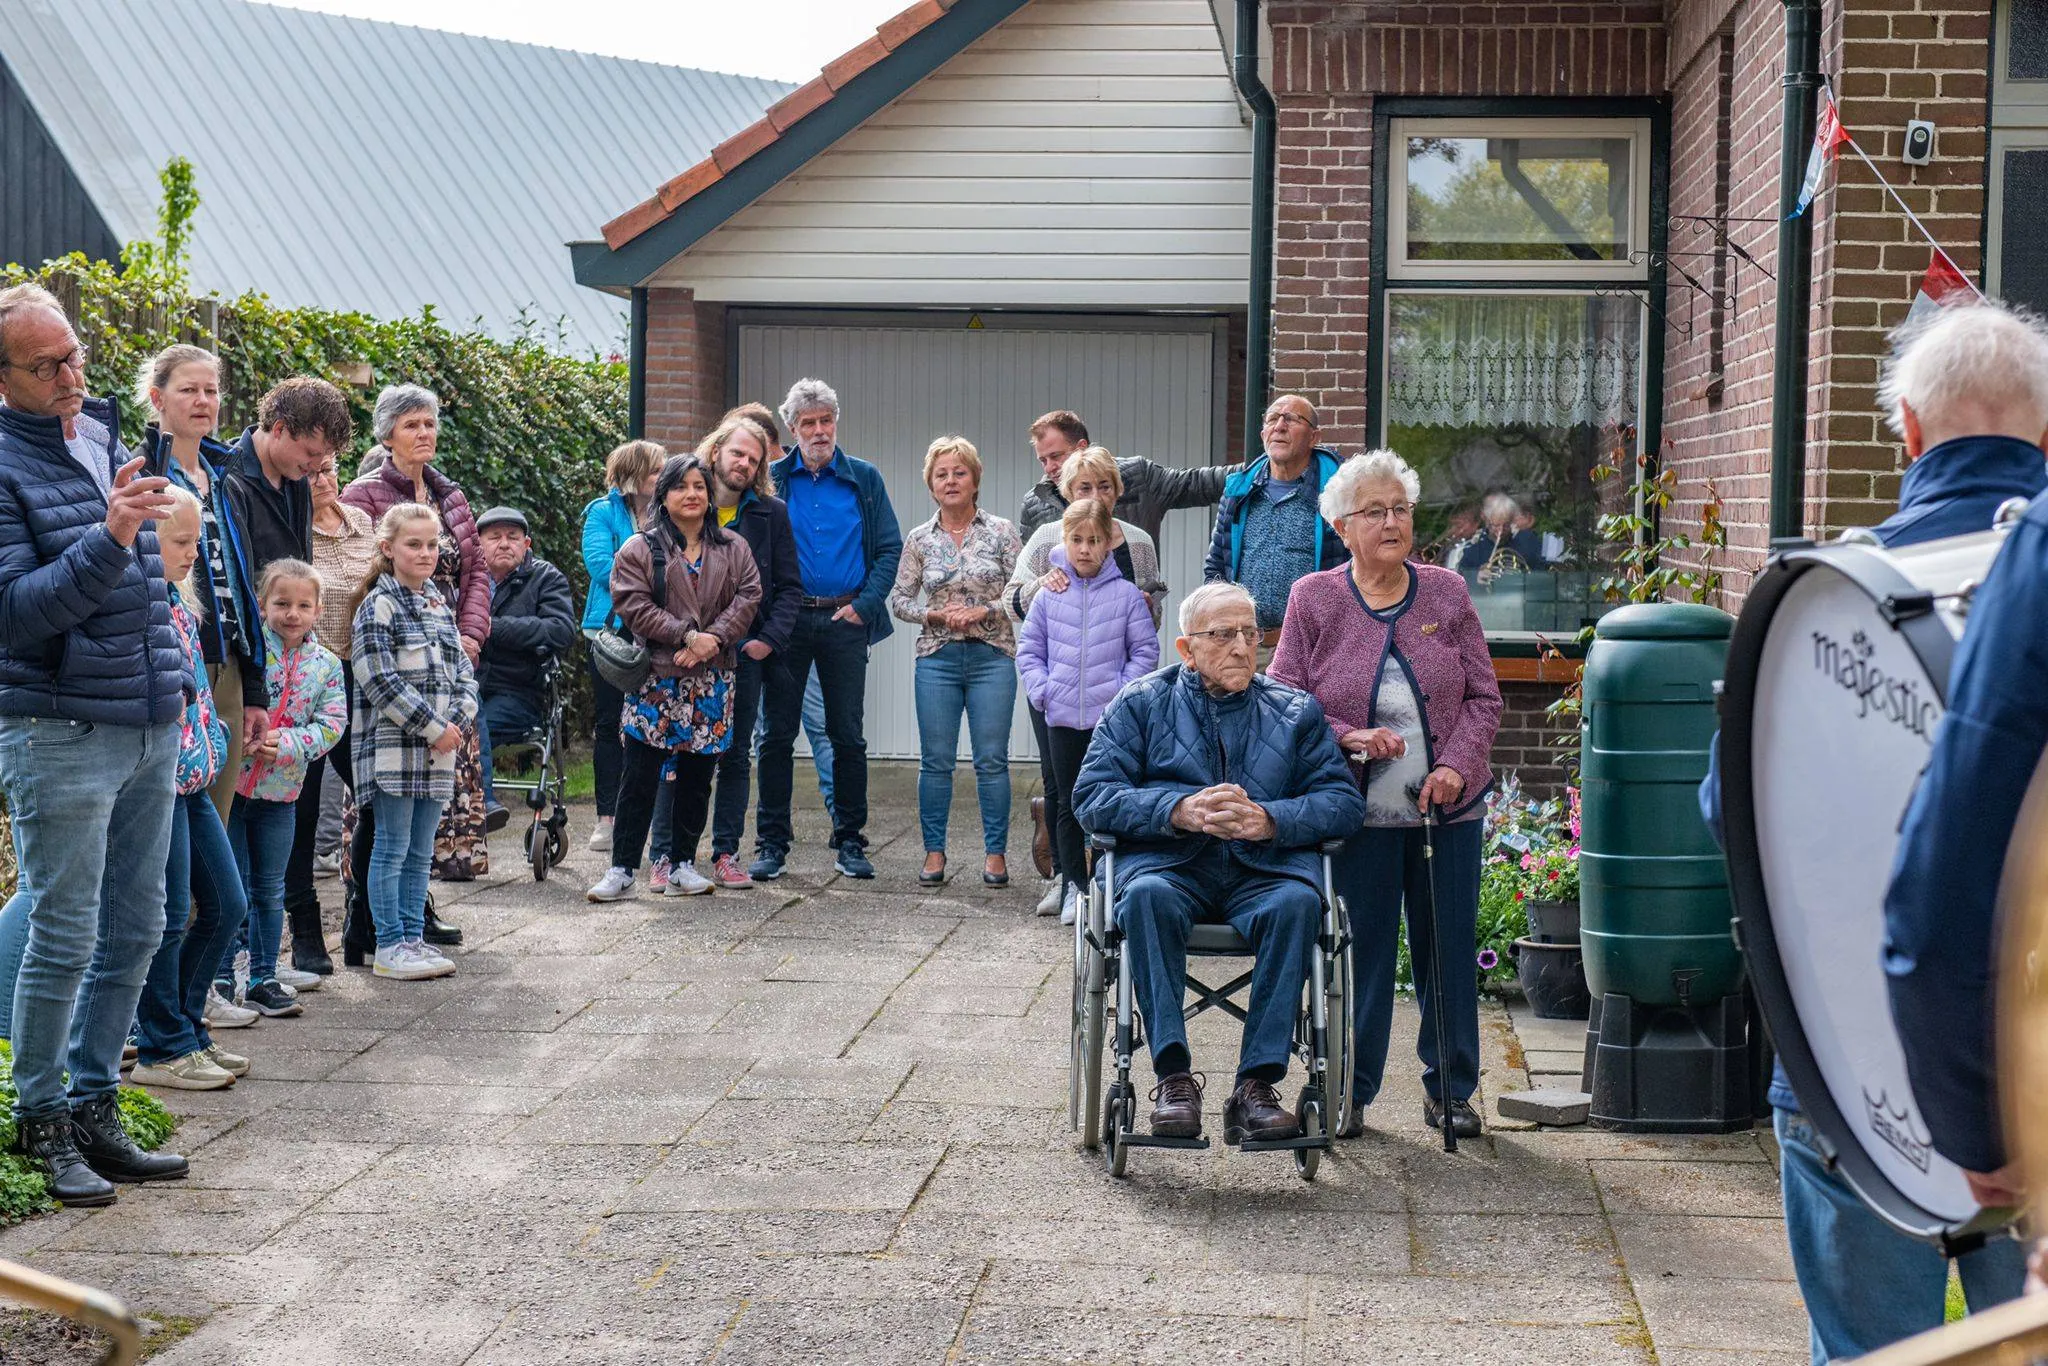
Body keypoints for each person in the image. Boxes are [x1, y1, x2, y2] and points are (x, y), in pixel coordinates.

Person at [1697, 302, 2044, 1364]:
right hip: (2031, 1080)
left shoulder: (1824, 596)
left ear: (1903, 427)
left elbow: (1730, 809)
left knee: (1861, 1351)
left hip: (1847, 1066)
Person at [0, 282, 191, 1202]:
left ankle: (94, 1103)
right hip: (59, 728)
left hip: (148, 718)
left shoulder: (105, 433)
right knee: (64, 930)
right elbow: (17, 615)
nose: (73, 375)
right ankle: (39, 1118)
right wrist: (114, 533)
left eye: (73, 354)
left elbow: (152, 587)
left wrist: (176, 688)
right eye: (47, 366)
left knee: (139, 924)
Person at [1073, 582, 1366, 1143]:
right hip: (1168, 865)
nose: (1240, 646)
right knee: (1146, 899)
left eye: (1250, 633)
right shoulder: (1140, 703)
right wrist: (1176, 810)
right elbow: (1091, 796)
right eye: (1222, 634)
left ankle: (1255, 1087)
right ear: (1186, 648)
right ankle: (1173, 1079)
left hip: (1264, 871)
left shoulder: (1295, 711)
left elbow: (1342, 803)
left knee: (1300, 903)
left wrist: (1269, 819)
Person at [1269, 450, 1503, 1140]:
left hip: (1445, 813)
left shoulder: (1446, 593)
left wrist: (1457, 765)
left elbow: (1485, 697)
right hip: (1356, 815)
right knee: (1359, 956)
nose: (1393, 520)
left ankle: (1453, 1090)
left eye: (1401, 507)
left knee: (1448, 953)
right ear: (1343, 525)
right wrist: (1346, 735)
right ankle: (1350, 1088)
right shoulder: (1314, 598)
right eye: (1377, 511)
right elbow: (1284, 697)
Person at [586, 454, 761, 901]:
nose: (692, 494)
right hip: (657, 679)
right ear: (663, 494)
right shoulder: (640, 549)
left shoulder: (733, 547)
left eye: (699, 486)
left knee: (698, 777)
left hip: (713, 679)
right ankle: (622, 869)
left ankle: (683, 864)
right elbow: (633, 604)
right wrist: (686, 636)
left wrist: (712, 640)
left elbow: (748, 596)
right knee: (640, 776)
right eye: (681, 486)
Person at [753, 378, 903, 882]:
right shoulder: (771, 479)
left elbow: (888, 549)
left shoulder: (864, 478)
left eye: (826, 421)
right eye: (808, 423)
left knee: (847, 735)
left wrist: (864, 605)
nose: (819, 431)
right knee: (775, 735)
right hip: (787, 623)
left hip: (845, 620)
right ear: (792, 429)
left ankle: (850, 839)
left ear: (836, 422)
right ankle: (772, 842)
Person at [342, 384, 490, 889]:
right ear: (387, 434)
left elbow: (477, 572)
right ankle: (386, 921)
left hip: (448, 659)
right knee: (395, 823)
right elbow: (353, 577)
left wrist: (469, 637)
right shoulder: (362, 495)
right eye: (411, 424)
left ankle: (421, 909)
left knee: (436, 811)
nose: (423, 432)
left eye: (429, 423)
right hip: (397, 656)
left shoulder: (452, 495)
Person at [1006, 447, 1164, 915]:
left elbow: (1146, 626)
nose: (1095, 494)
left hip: (1109, 691)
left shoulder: (1136, 542)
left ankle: (1112, 881)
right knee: (1061, 787)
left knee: (1117, 786)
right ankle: (1067, 879)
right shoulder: (1047, 539)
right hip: (1059, 691)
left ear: (1116, 491)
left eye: (1103, 486)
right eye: (1083, 487)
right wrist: (1043, 686)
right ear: (1065, 491)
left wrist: (1122, 687)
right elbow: (1015, 607)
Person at [126, 486, 248, 1090]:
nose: (193, 551)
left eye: (196, 540)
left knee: (228, 906)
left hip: (193, 777)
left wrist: (215, 745)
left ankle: (188, 1026)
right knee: (171, 916)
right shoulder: (139, 601)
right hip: (159, 783)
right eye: (180, 541)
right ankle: (161, 1046)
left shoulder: (180, 601)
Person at [134, 348, 266, 827]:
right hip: (172, 668)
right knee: (168, 834)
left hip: (227, 664)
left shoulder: (225, 478)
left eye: (210, 390)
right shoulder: (140, 477)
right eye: (188, 389)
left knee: (218, 824)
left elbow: (242, 587)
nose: (202, 400)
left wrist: (255, 688)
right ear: (157, 397)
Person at [889, 436, 1023, 889]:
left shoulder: (1002, 531)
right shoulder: (919, 539)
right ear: (931, 485)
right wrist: (934, 614)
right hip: (938, 658)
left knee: (991, 760)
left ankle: (996, 855)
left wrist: (985, 612)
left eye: (959, 472)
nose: (951, 480)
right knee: (937, 761)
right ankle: (933, 852)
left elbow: (1023, 592)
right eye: (941, 474)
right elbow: (899, 598)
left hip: (992, 657)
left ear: (975, 479)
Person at [214, 560, 346, 1018]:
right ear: (262, 604)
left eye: (303, 605)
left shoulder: (327, 665)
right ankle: (220, 974)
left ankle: (264, 978)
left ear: (318, 610)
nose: (292, 613)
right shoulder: (247, 655)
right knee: (229, 888)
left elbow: (332, 725)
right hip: (232, 791)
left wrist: (287, 744)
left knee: (269, 890)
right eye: (281, 603)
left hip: (281, 795)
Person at [348, 503, 475, 980]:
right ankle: (388, 944)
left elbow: (463, 672)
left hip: (439, 751)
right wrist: (433, 726)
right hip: (394, 752)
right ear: (388, 548)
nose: (426, 553)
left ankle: (412, 937)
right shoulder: (377, 607)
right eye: (413, 544)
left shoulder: (438, 605)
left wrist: (457, 720)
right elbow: (379, 681)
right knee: (392, 847)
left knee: (422, 852)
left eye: (432, 544)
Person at [219, 377, 353, 812]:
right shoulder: (229, 477)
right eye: (311, 454)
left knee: (295, 807)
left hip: (293, 663)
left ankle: (298, 884)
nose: (316, 469)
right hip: (246, 663)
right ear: (278, 428)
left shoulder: (297, 479)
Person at [285, 451, 376, 974]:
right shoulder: (291, 526)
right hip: (309, 680)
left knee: (373, 795)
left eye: (328, 468)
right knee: (301, 804)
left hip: (360, 678)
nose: (320, 479)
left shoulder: (361, 521)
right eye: (310, 470)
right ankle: (303, 926)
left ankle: (361, 915)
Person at [704, 411, 799, 890]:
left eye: (753, 458)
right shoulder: (685, 499)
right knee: (677, 755)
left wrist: (767, 641)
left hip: (744, 654)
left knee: (736, 754)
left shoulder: (771, 513)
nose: (743, 463)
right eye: (737, 453)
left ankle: (725, 852)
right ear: (716, 451)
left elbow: (789, 587)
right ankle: (667, 854)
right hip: (688, 653)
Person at [1205, 395, 1349, 666]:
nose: (1279, 426)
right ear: (1263, 434)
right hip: (1245, 647)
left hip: (1311, 650)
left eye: (1292, 419)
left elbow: (1353, 572)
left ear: (1314, 437)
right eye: (1272, 418)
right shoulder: (1239, 491)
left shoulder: (1337, 496)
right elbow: (1216, 567)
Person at [581, 439, 666, 853]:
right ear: (632, 475)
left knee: (654, 726)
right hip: (610, 631)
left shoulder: (670, 511)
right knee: (609, 725)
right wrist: (659, 574)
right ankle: (606, 818)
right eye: (654, 471)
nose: (661, 477)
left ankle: (651, 818)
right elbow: (600, 566)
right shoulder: (602, 512)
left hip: (659, 631)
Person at [472, 506, 578, 821]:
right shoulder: (467, 580)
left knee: (474, 726)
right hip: (468, 685)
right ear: (478, 544)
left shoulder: (546, 578)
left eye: (512, 537)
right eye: (495, 537)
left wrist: (491, 627)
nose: (504, 544)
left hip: (518, 691)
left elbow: (560, 630)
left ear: (526, 544)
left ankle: (481, 805)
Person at [1016, 409, 1242, 545]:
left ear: (1081, 448)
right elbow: (1026, 576)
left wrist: (1265, 469)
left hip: (1133, 618)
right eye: (1043, 460)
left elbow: (1199, 484)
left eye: (1055, 456)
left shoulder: (1138, 477)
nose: (1049, 468)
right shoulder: (1036, 503)